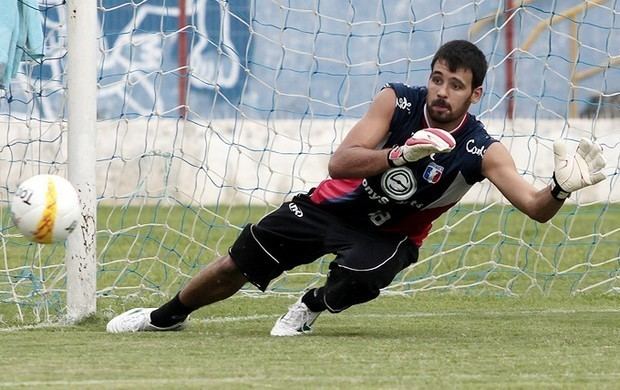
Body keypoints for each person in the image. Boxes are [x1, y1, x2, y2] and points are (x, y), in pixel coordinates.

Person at [106, 40, 606, 336]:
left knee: (360, 279)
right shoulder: (397, 101)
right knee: (237, 262)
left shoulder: (482, 149)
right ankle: (164, 317)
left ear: (475, 94)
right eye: (437, 79)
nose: (441, 92)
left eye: (455, 85)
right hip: (329, 209)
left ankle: (312, 305)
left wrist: (560, 188)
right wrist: (398, 154)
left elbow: (535, 208)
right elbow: (340, 162)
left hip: (389, 238)